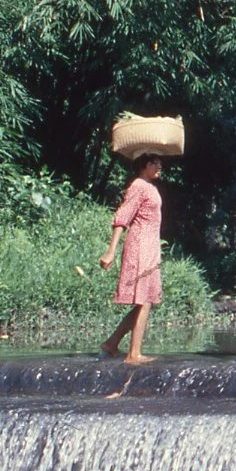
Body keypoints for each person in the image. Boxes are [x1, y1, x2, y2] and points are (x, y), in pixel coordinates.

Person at [98, 153, 164, 364]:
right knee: (143, 300)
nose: (159, 166)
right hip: (140, 245)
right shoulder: (138, 186)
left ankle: (111, 343)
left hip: (150, 246)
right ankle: (133, 353)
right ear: (145, 165)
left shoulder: (150, 187)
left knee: (145, 301)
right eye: (155, 163)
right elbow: (122, 218)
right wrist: (111, 251)